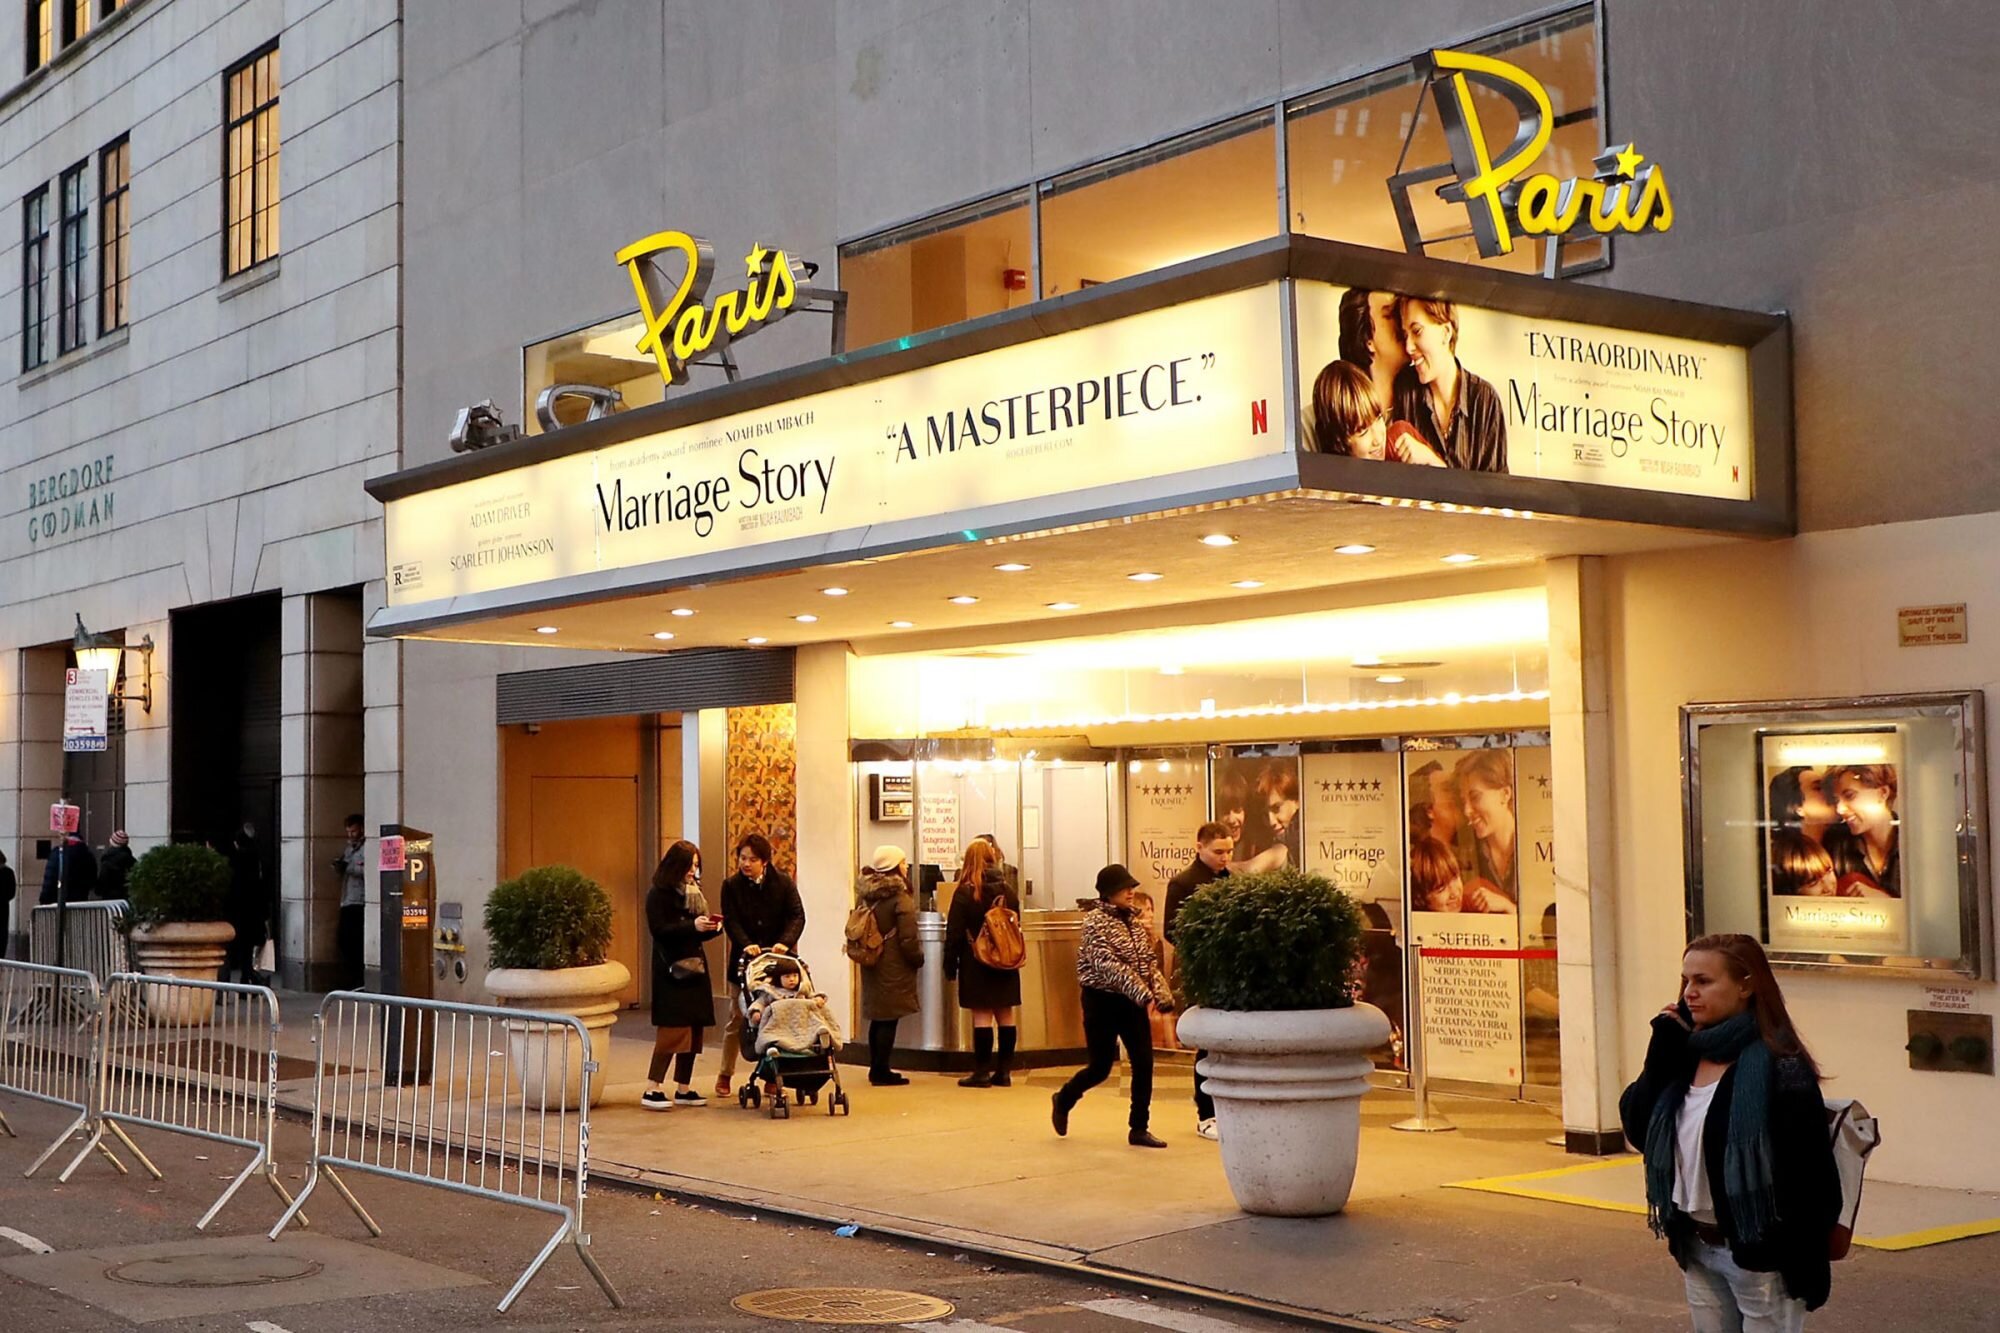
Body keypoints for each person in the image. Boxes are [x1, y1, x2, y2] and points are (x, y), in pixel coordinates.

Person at [1619, 934, 1841, 1331]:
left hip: (1762, 1255)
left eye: (1704, 981)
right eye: (1686, 980)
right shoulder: (1684, 1054)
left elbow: (1813, 1178)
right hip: (1697, 1244)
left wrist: (1790, 1255)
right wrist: (1660, 1052)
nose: (1690, 992)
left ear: (1746, 985)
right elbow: (1639, 1129)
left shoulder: (1780, 1066)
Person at [1052, 864, 1175, 1149]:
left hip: (1132, 1002)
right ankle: (1064, 1098)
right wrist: (1143, 993)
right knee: (1100, 1067)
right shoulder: (1094, 923)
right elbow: (1106, 965)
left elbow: (1147, 963)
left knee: (1143, 1063)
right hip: (1101, 1001)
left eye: (1132, 887)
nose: (1131, 892)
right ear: (1108, 892)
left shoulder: (1133, 922)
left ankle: (1139, 1127)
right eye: (1125, 888)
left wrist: (1161, 993)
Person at [714, 833, 805, 1099]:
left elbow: (797, 916)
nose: (746, 863)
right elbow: (731, 921)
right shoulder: (731, 886)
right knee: (737, 1017)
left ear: (764, 861)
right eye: (742, 858)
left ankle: (772, 1075)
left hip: (777, 963)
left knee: (776, 1017)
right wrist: (746, 944)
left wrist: (785, 942)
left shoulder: (783, 883)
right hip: (744, 964)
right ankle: (725, 1072)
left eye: (752, 859)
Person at [643, 840, 723, 1110]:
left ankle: (683, 1088)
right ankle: (652, 1087)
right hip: (671, 973)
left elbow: (695, 932)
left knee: (694, 1031)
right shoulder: (658, 894)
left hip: (695, 970)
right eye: (689, 866)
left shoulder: (693, 892)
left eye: (696, 866)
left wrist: (712, 928)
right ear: (676, 866)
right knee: (672, 1032)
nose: (693, 871)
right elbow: (660, 931)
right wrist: (692, 926)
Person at [1164, 822, 1232, 1140]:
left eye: (1229, 851)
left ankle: (1225, 1108)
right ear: (1199, 847)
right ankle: (1206, 1113)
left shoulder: (1231, 880)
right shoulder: (1183, 883)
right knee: (1207, 1045)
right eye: (1218, 851)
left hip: (1229, 971)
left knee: (1227, 1043)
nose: (1225, 857)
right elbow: (1171, 929)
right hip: (1204, 972)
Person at [1393, 295, 1507, 472]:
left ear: (1446, 333)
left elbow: (1495, 487)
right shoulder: (1406, 391)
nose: (1408, 347)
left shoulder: (1484, 399)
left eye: (1417, 331)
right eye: (1405, 335)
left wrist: (1433, 462)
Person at [943, 839, 1021, 1087]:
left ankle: (982, 1072)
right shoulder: (1008, 891)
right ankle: (1004, 1072)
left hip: (976, 961)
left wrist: (950, 964)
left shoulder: (965, 892)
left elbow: (954, 932)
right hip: (1006, 960)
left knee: (982, 1016)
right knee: (1006, 1014)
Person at [855, 844, 922, 1086]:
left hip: (872, 961)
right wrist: (917, 958)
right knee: (889, 1019)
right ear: (894, 866)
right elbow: (908, 937)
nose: (906, 866)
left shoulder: (866, 893)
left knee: (878, 1018)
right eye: (903, 862)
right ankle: (882, 1071)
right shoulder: (900, 897)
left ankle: (876, 1067)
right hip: (893, 965)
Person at [1310, 357, 1448, 465]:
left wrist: (1430, 460)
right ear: (1339, 443)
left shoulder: (1400, 439)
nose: (1378, 439)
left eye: (1378, 417)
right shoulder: (1332, 478)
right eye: (1363, 431)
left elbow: (1449, 486)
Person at [1821, 764, 1900, 898]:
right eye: (1836, 800)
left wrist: (1886, 901)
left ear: (1882, 793)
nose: (1840, 809)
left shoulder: (1916, 839)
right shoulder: (1835, 843)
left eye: (1849, 796)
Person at [1455, 749, 1520, 903]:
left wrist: (1509, 908)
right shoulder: (1465, 852)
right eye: (1464, 801)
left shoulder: (1534, 844)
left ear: (1505, 794)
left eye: (1475, 797)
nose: (1467, 810)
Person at [1335, 286, 1408, 415]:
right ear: (1368, 340)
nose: (1403, 323)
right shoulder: (1317, 417)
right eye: (1391, 315)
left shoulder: (1424, 405)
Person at [1410, 835, 1510, 914]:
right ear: (1420, 899)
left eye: (1455, 878)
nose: (1454, 893)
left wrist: (1507, 906)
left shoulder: (1476, 901)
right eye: (1441, 888)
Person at [224, 822, 270, 982]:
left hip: (237, 913)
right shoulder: (257, 860)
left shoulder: (234, 862)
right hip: (253, 913)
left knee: (234, 949)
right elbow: (262, 888)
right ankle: (248, 978)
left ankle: (245, 979)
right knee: (248, 950)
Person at [333, 814, 368, 987]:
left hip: (359, 901)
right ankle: (350, 978)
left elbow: (368, 870)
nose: (350, 835)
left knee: (354, 941)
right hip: (347, 898)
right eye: (348, 831)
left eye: (353, 831)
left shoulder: (366, 847)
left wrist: (349, 868)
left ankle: (358, 980)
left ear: (361, 828)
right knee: (344, 940)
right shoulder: (350, 849)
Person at [1766, 767, 1837, 846]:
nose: (1830, 792)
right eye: (1818, 788)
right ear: (1797, 807)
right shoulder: (1781, 852)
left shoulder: (1840, 846)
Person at [41, 829, 98, 905]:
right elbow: (92, 880)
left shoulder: (57, 854)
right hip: (80, 901)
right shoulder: (87, 855)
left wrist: (44, 900)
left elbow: (50, 878)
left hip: (58, 901)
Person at [97, 830, 135, 900]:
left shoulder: (108, 860)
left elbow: (103, 879)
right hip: (127, 897)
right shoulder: (131, 860)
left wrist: (98, 890)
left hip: (110, 897)